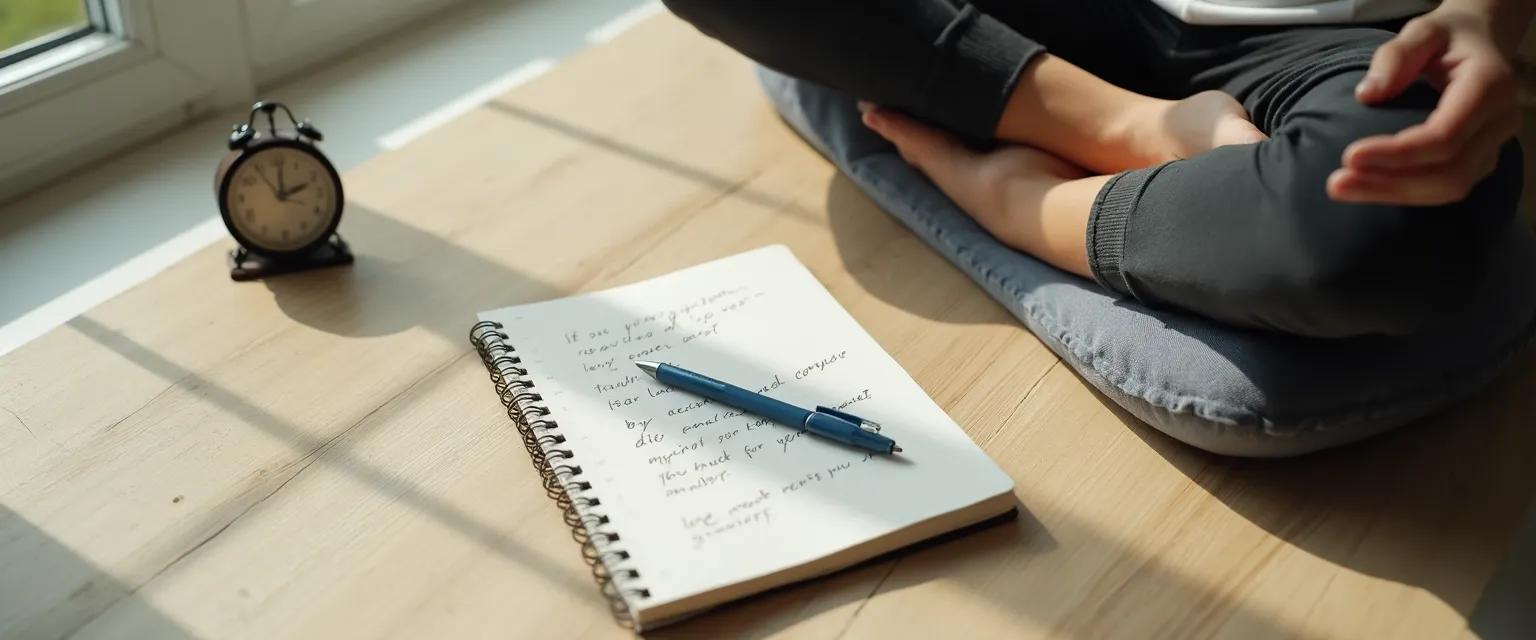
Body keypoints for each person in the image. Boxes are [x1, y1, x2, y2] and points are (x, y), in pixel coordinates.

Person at [662, 0, 1531, 339]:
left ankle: (1018, 197)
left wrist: (1489, 15)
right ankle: (1128, 129)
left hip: (1337, 32)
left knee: (1372, 217)